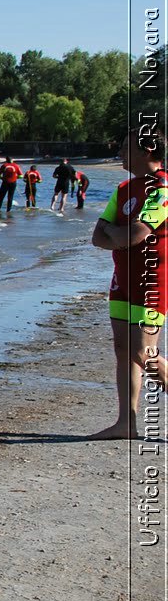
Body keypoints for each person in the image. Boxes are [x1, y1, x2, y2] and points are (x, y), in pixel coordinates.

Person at [88, 126, 168, 439]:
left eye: (125, 147)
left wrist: (120, 236)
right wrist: (119, 238)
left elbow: (136, 235)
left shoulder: (161, 189)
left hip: (152, 282)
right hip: (122, 280)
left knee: (143, 352)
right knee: (123, 349)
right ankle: (126, 424)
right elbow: (98, 236)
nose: (120, 153)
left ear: (147, 151)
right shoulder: (123, 188)